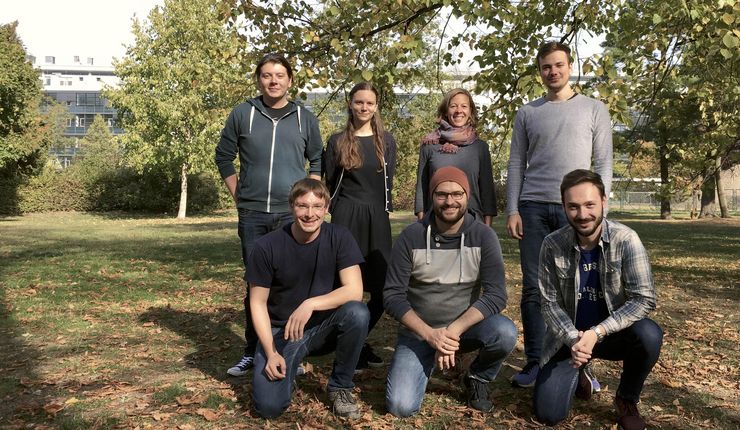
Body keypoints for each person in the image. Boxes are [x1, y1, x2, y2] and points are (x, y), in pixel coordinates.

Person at [507, 41, 613, 388]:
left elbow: (603, 163)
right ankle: (535, 361)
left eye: (558, 65)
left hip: (578, 211)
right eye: (546, 67)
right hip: (533, 208)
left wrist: (600, 208)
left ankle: (579, 362)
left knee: (581, 288)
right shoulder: (528, 113)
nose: (552, 71)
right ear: (539, 71)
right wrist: (512, 209)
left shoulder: (594, 109)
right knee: (535, 289)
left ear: (569, 67)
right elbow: (516, 163)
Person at [215, 54, 323, 377]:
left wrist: (310, 203)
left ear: (290, 80)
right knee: (256, 284)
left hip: (292, 217)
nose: (273, 81)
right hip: (253, 216)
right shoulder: (242, 114)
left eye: (279, 75)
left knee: (292, 284)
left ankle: (292, 351)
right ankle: (253, 350)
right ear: (258, 80)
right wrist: (239, 195)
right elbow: (223, 157)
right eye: (266, 75)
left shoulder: (305, 117)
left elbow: (317, 159)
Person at [534, 169, 662, 430]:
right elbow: (549, 303)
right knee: (549, 414)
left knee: (649, 334)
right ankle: (581, 371)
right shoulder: (552, 244)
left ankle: (626, 399)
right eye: (573, 207)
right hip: (569, 338)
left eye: (590, 205)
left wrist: (597, 332)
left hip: (612, 334)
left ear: (604, 201)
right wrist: (574, 340)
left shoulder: (626, 240)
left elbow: (644, 299)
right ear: (564, 207)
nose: (582, 215)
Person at [384, 166, 517, 417]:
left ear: (467, 196)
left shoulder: (483, 236)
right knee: (400, 407)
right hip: (419, 334)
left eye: (457, 194)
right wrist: (431, 336)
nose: (450, 201)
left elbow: (497, 295)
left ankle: (477, 376)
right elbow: (392, 296)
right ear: (432, 197)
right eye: (442, 194)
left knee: (505, 332)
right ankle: (430, 360)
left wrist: (452, 333)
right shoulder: (410, 237)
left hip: (464, 330)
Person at [248, 178, 369, 419]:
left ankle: (340, 387)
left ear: (326, 208)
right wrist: (271, 353)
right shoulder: (266, 247)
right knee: (269, 408)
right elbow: (257, 303)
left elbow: (355, 290)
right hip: (281, 332)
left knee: (357, 312)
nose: (310, 214)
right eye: (303, 206)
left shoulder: (340, 237)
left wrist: (310, 304)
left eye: (317, 207)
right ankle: (288, 367)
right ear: (292, 206)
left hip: (322, 326)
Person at [323, 82, 397, 371]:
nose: (364, 108)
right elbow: (330, 182)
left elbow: (387, 182)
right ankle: (341, 344)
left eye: (369, 103)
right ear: (350, 105)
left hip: (377, 217)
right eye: (358, 102)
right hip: (346, 217)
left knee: (383, 289)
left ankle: (357, 338)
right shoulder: (337, 140)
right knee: (343, 286)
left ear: (376, 106)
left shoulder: (386, 141)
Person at [415, 88, 497, 225]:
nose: (459, 110)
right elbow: (421, 190)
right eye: (453, 106)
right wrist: (422, 224)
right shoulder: (429, 146)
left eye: (464, 106)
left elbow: (487, 191)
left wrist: (487, 229)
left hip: (473, 223)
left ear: (470, 111)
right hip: (436, 223)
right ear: (446, 111)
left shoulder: (480, 148)